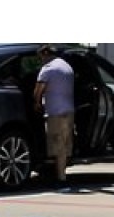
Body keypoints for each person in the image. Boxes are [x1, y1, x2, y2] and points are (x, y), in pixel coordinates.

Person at [33, 44, 75, 189]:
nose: (41, 60)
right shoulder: (67, 67)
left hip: (55, 113)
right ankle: (61, 175)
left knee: (57, 147)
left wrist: (36, 103)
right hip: (69, 111)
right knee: (64, 146)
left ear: (45, 54)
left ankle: (60, 179)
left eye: (41, 57)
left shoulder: (48, 69)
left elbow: (38, 90)